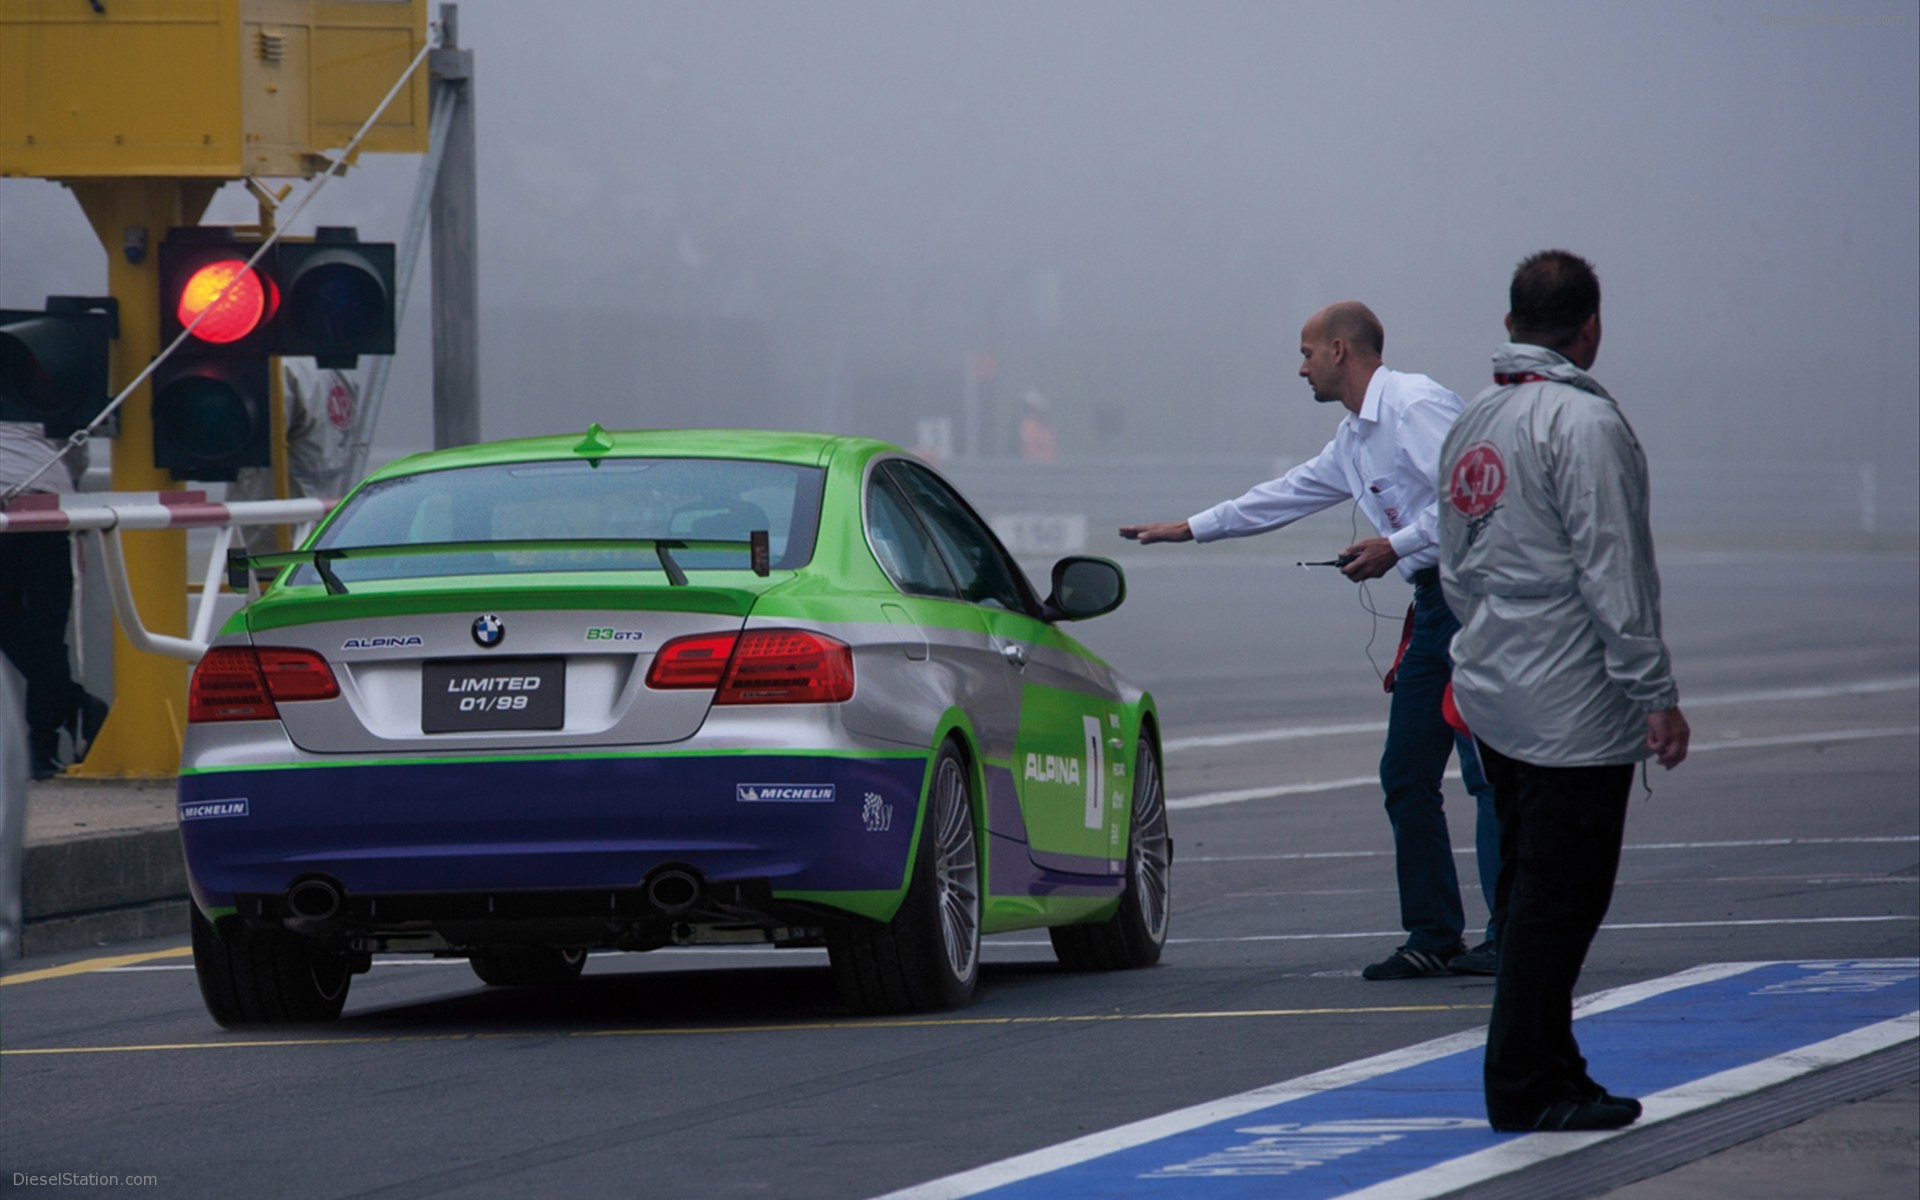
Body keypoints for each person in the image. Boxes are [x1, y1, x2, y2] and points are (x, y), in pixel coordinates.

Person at [1121, 301, 1501, 979]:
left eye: (1306, 353)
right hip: (1435, 605)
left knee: (1488, 774)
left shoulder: (1414, 406)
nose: (1300, 368)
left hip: (1478, 602)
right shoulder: (1354, 438)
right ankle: (1435, 935)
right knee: (1406, 775)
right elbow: (1285, 494)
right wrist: (1189, 528)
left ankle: (1511, 936)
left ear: (1340, 351)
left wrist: (1396, 544)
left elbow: (1475, 497)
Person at [1438, 250, 1690, 1133]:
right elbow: (1615, 570)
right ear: (1590, 329)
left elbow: (1456, 570)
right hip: (1573, 705)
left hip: (1495, 690)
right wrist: (1654, 691)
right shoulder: (1585, 426)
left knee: (1530, 895)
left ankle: (1555, 1064)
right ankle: (1523, 1081)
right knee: (1561, 901)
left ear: (1512, 325)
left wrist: (1488, 652)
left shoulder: (1474, 419)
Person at [0, 420, 109, 780]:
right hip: (47, 499)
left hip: (11, 503)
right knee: (46, 630)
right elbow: (74, 453)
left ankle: (70, 712)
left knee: (19, 630)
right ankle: (48, 737)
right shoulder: (39, 380)